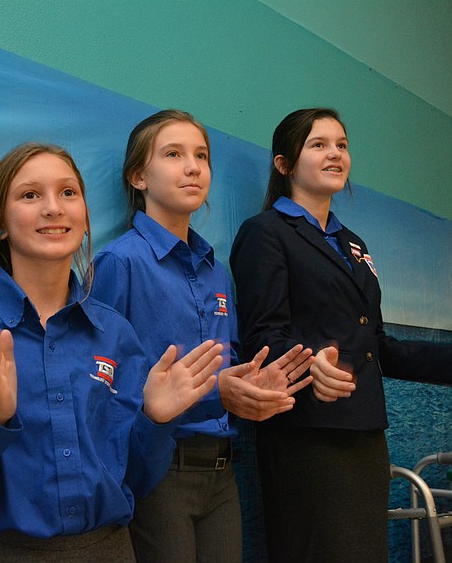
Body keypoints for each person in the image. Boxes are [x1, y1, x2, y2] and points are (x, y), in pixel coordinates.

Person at [0, 142, 240, 562]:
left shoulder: (116, 335)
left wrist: (155, 420)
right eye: (30, 195)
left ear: (84, 219)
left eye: (68, 192)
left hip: (109, 550)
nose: (54, 208)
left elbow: (137, 479)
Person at [230, 107, 452, 562]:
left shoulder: (353, 244)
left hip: (365, 433)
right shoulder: (265, 233)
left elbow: (378, 344)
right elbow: (263, 336)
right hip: (307, 434)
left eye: (341, 145)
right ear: (284, 164)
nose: (335, 154)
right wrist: (312, 363)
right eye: (318, 145)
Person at [91, 110, 315, 563]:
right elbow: (100, 382)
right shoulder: (120, 262)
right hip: (158, 468)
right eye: (174, 155)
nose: (193, 167)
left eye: (202, 156)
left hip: (221, 469)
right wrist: (218, 391)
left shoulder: (217, 270)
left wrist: (254, 384)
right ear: (138, 177)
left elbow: (230, 363)